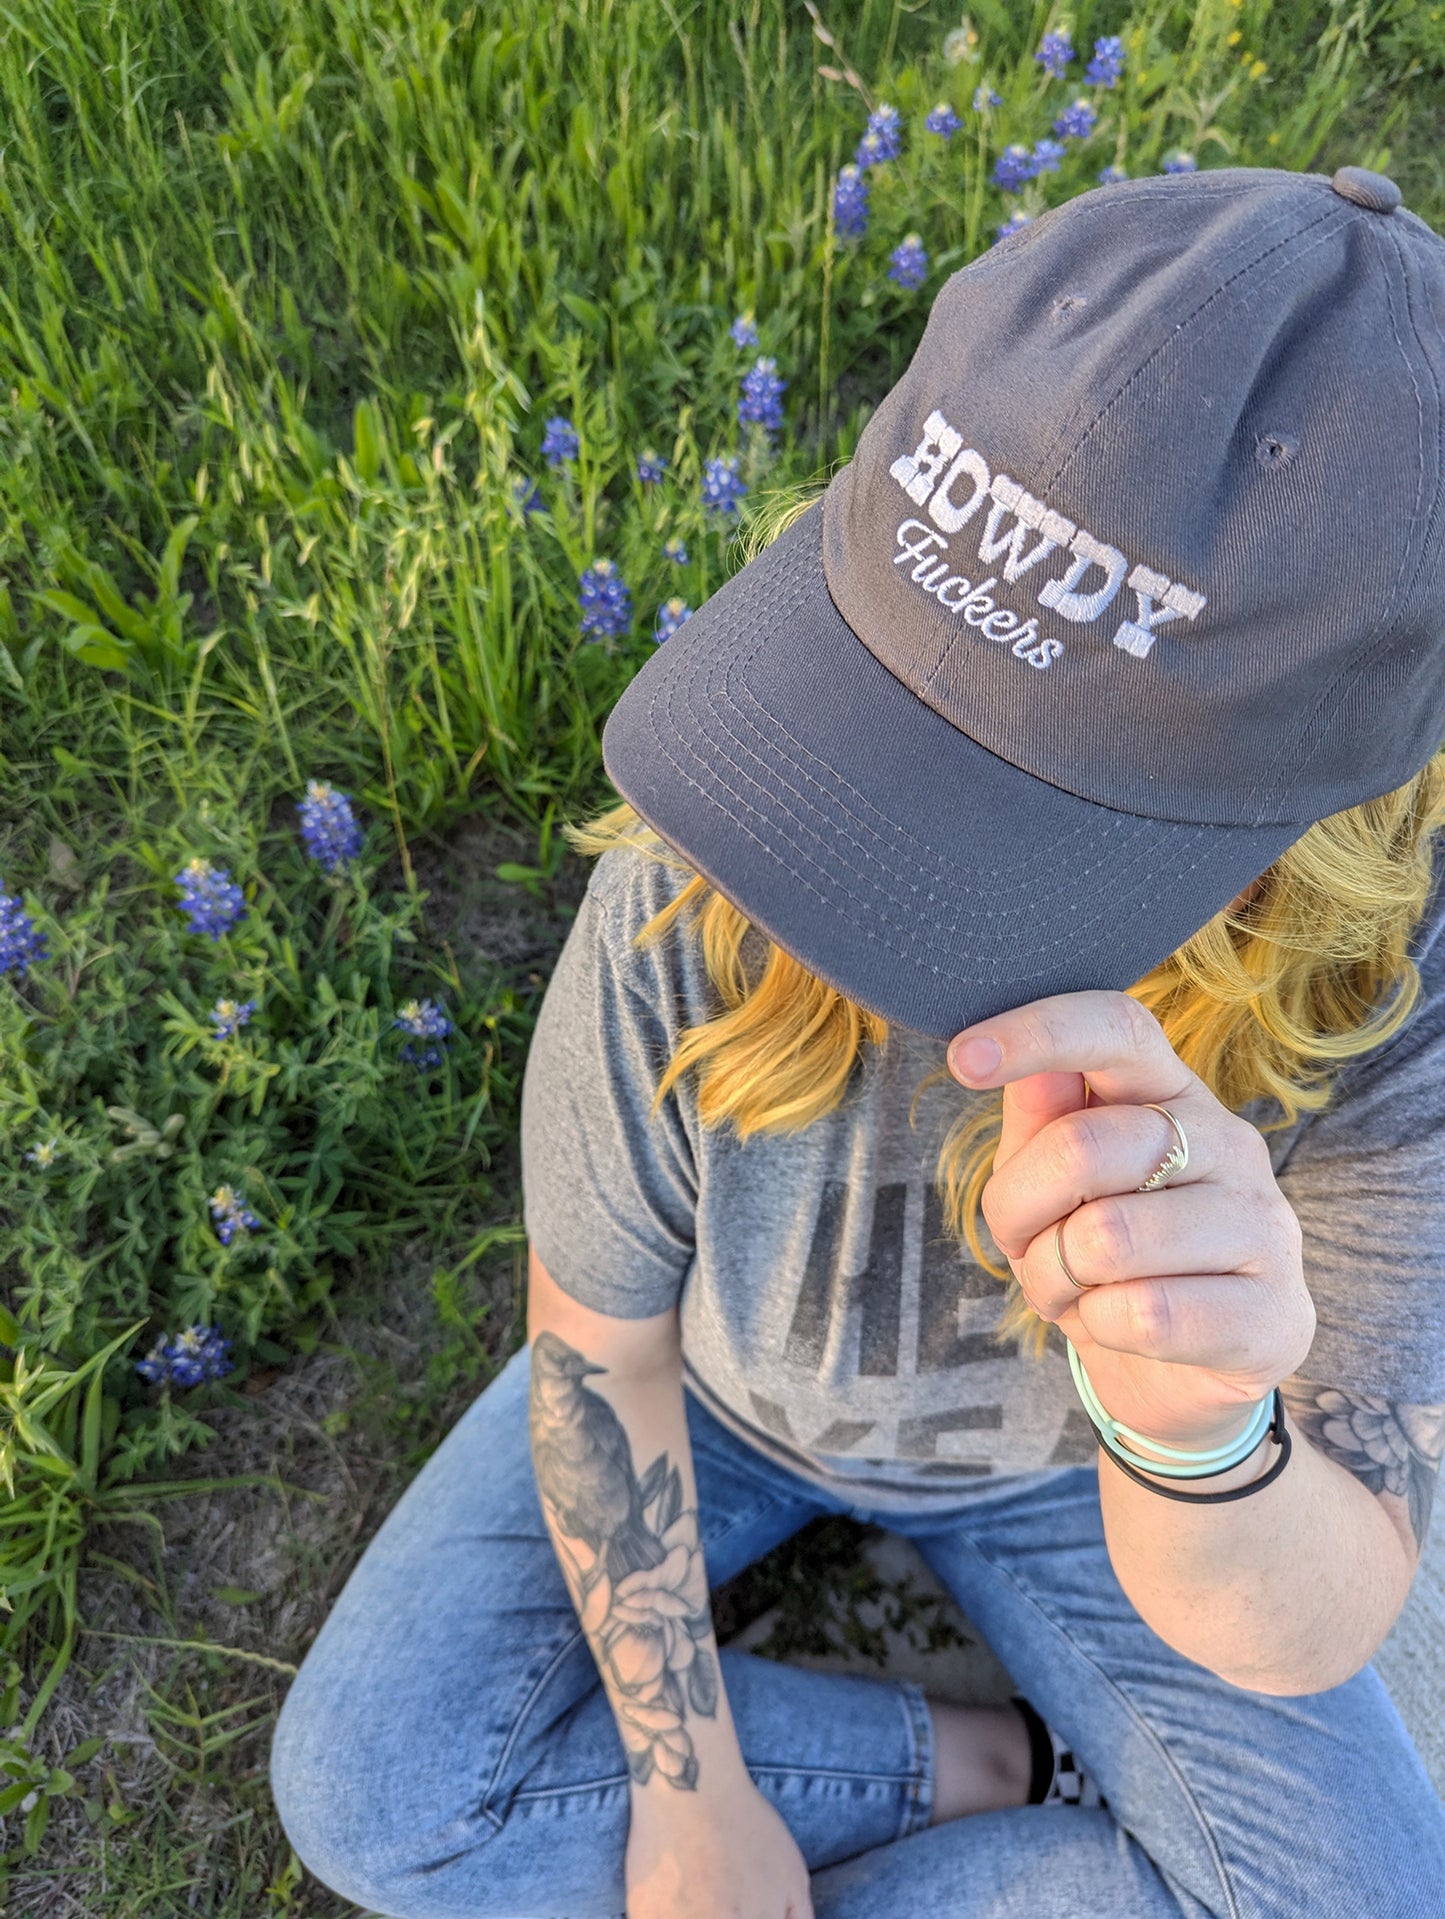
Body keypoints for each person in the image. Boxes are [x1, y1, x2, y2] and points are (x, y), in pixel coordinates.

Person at [270, 163, 1445, 1918]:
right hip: (723, 1405)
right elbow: (602, 1348)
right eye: (897, 711)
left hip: (1078, 1483)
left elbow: (1309, 1614)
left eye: (1036, 801)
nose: (855, 875)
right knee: (376, 1788)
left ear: (1339, 807)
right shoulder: (701, 871)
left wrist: (1193, 1425)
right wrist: (691, 1801)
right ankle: (983, 1773)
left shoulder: (1389, 997)